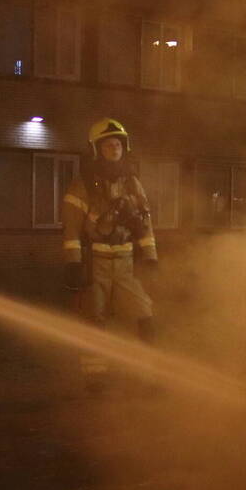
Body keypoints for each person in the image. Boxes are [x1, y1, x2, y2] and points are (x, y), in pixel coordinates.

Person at [61, 118, 157, 392]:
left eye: (117, 144)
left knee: (145, 315)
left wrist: (150, 256)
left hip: (125, 264)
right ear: (96, 150)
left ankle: (147, 374)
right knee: (95, 320)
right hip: (96, 263)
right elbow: (71, 228)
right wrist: (73, 264)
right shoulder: (83, 185)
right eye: (108, 145)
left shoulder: (133, 184)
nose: (114, 149)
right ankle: (95, 379)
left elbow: (146, 225)